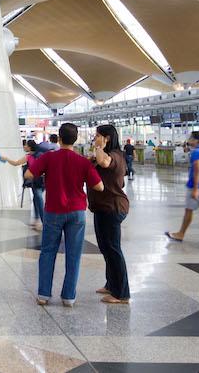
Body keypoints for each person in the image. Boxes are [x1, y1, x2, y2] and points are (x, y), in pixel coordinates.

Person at [25, 123, 104, 307]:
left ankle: (44, 294)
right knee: (74, 254)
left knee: (47, 252)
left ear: (59, 138)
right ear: (75, 140)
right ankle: (68, 297)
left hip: (53, 211)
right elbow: (99, 186)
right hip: (77, 213)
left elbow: (29, 174)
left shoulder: (48, 158)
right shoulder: (83, 161)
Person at [88, 125, 130, 304]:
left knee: (113, 250)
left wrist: (99, 146)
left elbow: (104, 162)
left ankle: (121, 294)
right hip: (102, 208)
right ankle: (111, 283)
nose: (94, 138)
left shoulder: (115, 156)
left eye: (98, 136)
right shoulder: (108, 155)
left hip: (112, 208)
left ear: (106, 138)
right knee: (105, 248)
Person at [165, 131, 199, 246]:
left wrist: (195, 188)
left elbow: (197, 170)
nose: (189, 140)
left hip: (197, 187)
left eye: (190, 138)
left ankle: (180, 234)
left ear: (196, 140)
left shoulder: (197, 153)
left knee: (188, 211)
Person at [0, 140, 44, 231]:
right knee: (36, 199)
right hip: (40, 181)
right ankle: (37, 220)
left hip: (36, 181)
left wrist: (6, 159)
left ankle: (44, 221)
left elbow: (16, 163)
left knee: (38, 199)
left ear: (30, 147)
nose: (24, 146)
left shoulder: (30, 157)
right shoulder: (38, 155)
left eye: (26, 145)